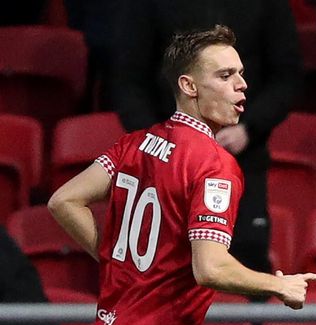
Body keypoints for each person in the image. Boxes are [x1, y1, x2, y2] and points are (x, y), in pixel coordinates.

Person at [48, 25, 316, 325]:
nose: (242, 86)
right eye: (225, 76)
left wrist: (114, 257)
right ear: (188, 85)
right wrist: (276, 286)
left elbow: (63, 200)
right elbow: (209, 268)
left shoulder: (135, 144)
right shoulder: (214, 164)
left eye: (241, 74)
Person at [112, 0, 304, 275]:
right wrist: (162, 141)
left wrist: (248, 128)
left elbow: (287, 77)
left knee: (245, 265)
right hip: (167, 165)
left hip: (241, 160)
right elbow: (129, 81)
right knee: (164, 271)